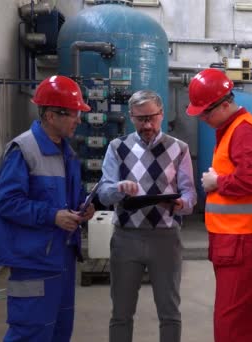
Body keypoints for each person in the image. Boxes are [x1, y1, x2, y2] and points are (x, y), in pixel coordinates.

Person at [0, 75, 95, 341]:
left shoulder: (67, 153)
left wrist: (82, 210)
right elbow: (5, 202)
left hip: (62, 258)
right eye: (73, 114)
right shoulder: (23, 150)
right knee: (30, 332)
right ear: (51, 115)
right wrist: (52, 216)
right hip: (33, 261)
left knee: (60, 331)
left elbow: (68, 200)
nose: (79, 120)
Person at [186, 68, 252, 342]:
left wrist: (218, 183)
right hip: (239, 238)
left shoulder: (243, 132)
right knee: (243, 314)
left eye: (206, 112)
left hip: (243, 240)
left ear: (225, 104)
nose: (203, 119)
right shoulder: (232, 128)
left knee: (229, 321)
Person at [98, 90, 196, 342]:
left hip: (165, 239)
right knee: (121, 312)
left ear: (162, 114)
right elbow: (104, 192)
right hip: (126, 238)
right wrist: (119, 188)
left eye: (152, 117)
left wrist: (182, 204)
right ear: (131, 117)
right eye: (141, 119)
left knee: (169, 311)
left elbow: (189, 194)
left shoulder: (179, 149)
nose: (148, 125)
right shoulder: (117, 148)